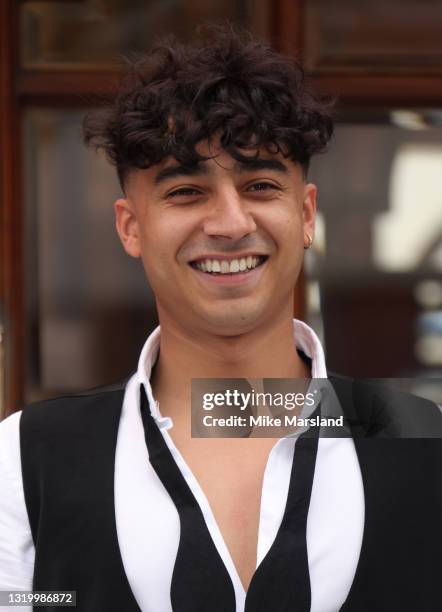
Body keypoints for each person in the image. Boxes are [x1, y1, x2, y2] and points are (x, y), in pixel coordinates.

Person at [0, 24, 440, 612]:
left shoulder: (419, 439)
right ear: (131, 227)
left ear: (305, 214)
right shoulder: (27, 459)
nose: (231, 223)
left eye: (260, 184)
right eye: (186, 191)